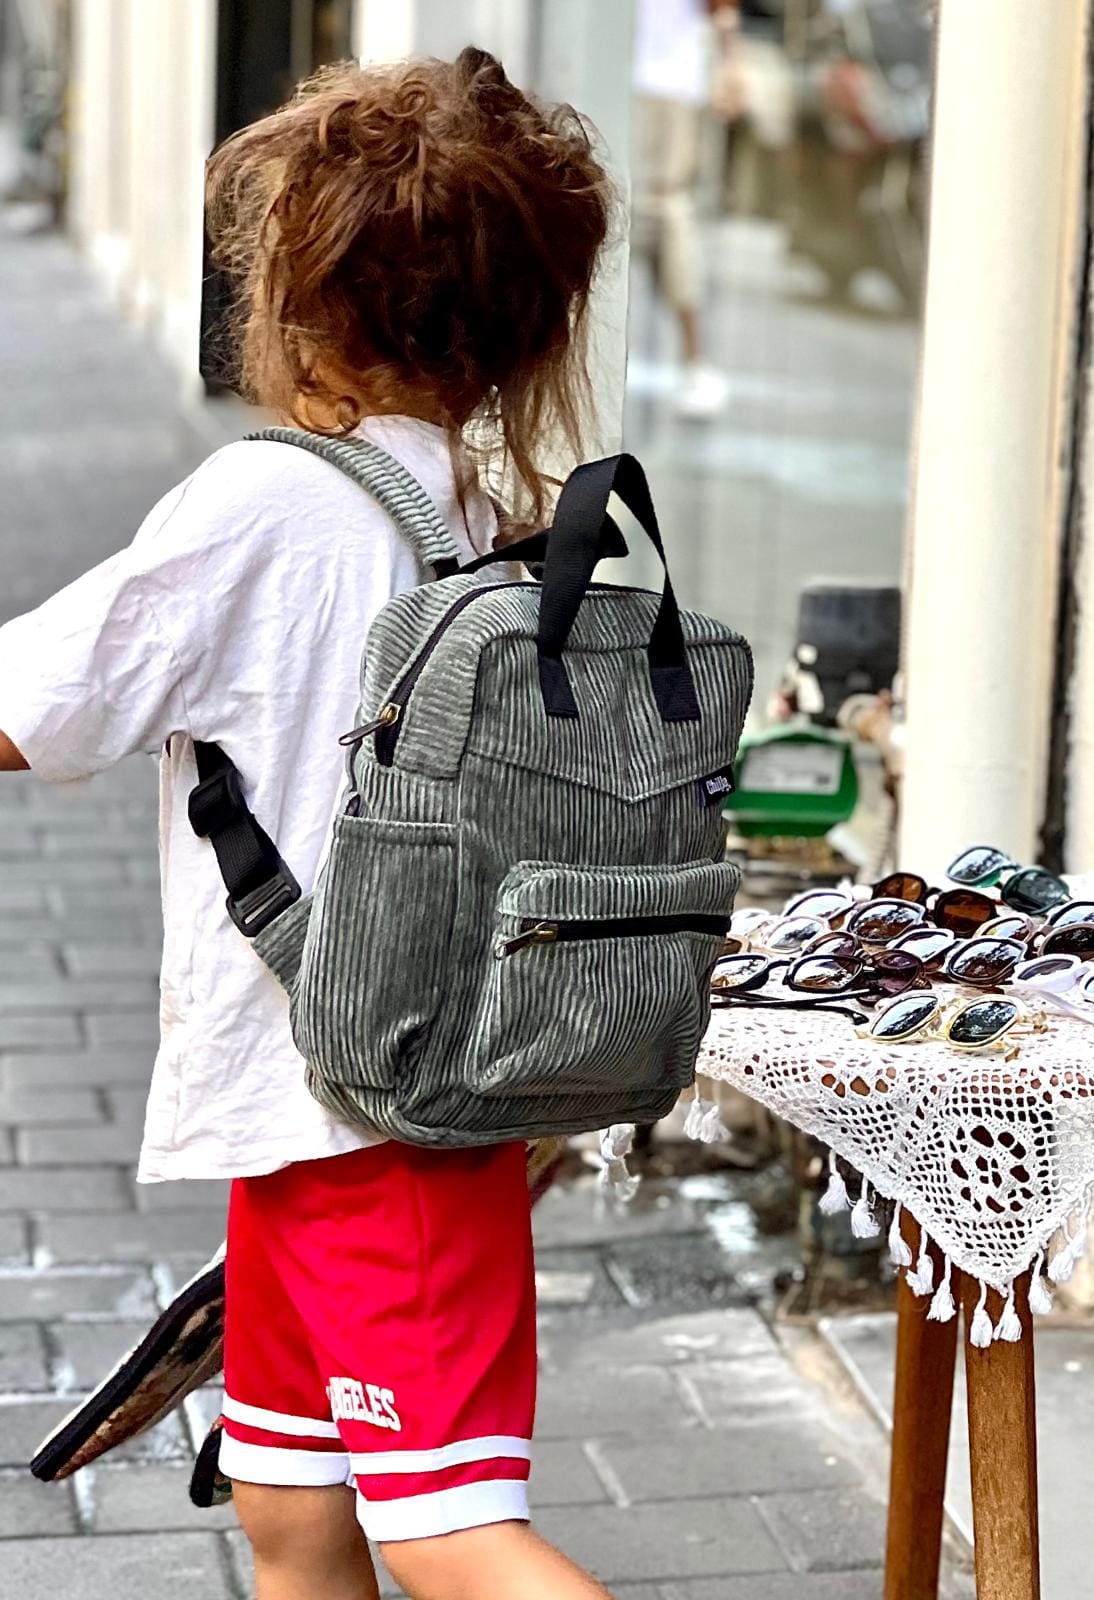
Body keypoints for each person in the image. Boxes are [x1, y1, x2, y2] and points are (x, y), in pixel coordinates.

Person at [0, 50, 618, 1600]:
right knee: (292, 1509)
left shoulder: (261, 509)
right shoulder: (487, 523)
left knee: (447, 1530)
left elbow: (37, 705)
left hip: (365, 1135)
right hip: (346, 1107)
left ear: (293, 293)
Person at [632, 0, 742, 419]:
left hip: (665, 84)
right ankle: (694, 362)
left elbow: (722, 12)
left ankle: (695, 361)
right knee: (660, 210)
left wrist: (730, 67)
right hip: (651, 79)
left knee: (664, 210)